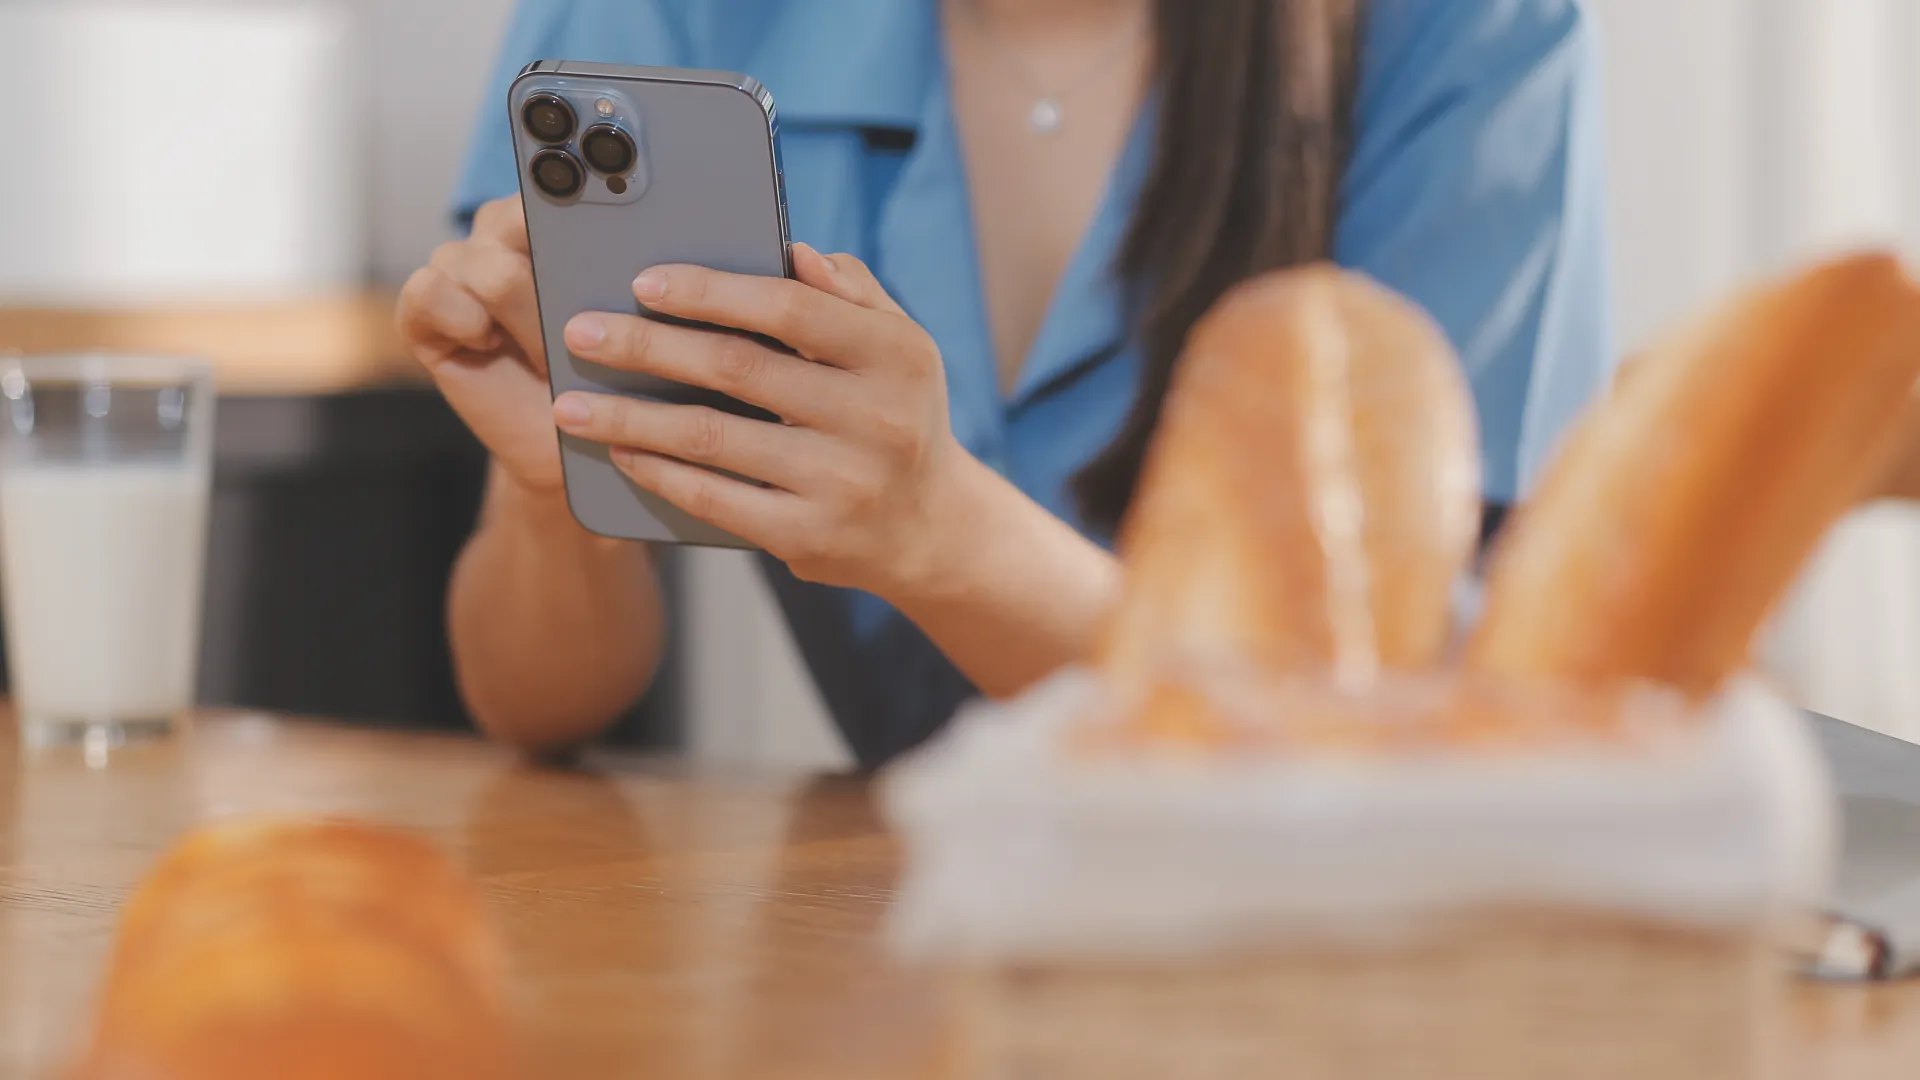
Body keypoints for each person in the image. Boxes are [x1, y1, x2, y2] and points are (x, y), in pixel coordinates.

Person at [399, 0, 1614, 766]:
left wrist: (945, 536)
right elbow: (535, 704)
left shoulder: (1472, 33)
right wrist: (562, 490)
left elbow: (1401, 744)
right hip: (883, 956)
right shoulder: (683, 17)